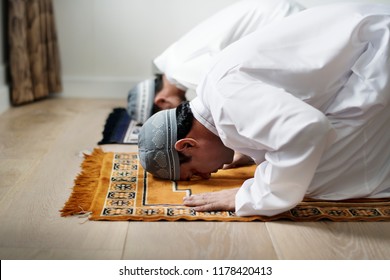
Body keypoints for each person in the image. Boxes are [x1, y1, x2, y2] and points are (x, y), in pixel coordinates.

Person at [138, 2, 390, 217]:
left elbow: (307, 129)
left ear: (187, 145)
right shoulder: (211, 91)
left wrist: (253, 195)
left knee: (316, 179)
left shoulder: (225, 99)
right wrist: (251, 150)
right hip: (371, 44)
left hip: (378, 46)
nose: (205, 177)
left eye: (193, 172)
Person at [127, 0, 305, 124]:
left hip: (283, 21)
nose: (179, 116)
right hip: (280, 11)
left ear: (162, 102)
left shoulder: (182, 70)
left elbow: (230, 93)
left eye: (170, 114)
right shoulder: (174, 58)